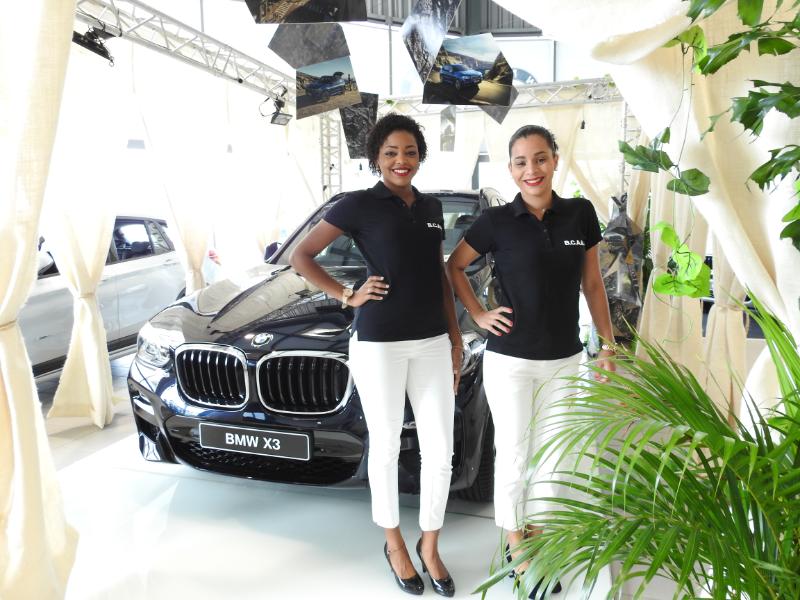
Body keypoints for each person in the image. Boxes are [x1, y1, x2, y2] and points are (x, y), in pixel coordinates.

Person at [290, 114, 461, 597]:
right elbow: (301, 255)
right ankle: (394, 544)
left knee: (440, 451)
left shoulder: (431, 206)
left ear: (420, 156)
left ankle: (430, 545)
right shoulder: (358, 204)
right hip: (379, 342)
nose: (401, 160)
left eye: (409, 152)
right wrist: (347, 294)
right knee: (385, 446)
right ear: (376, 158)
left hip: (432, 342)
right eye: (390, 153)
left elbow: (438, 273)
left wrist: (454, 338)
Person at [446, 124, 615, 598]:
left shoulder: (580, 214)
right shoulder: (496, 221)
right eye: (521, 162)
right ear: (511, 169)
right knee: (516, 454)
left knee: (555, 458)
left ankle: (536, 533)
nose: (531, 170)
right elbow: (454, 266)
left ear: (555, 160)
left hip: (565, 360)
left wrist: (608, 345)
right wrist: (479, 314)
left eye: (540, 158)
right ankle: (518, 549)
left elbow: (593, 285)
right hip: (511, 361)